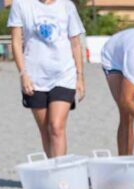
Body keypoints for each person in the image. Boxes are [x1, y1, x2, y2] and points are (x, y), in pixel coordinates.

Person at [7, 0, 85, 158]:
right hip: (34, 76)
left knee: (56, 127)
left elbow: (76, 44)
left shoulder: (67, 6)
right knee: (45, 130)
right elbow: (16, 41)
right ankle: (52, 169)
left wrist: (80, 77)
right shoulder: (21, 5)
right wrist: (23, 74)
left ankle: (60, 173)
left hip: (64, 74)